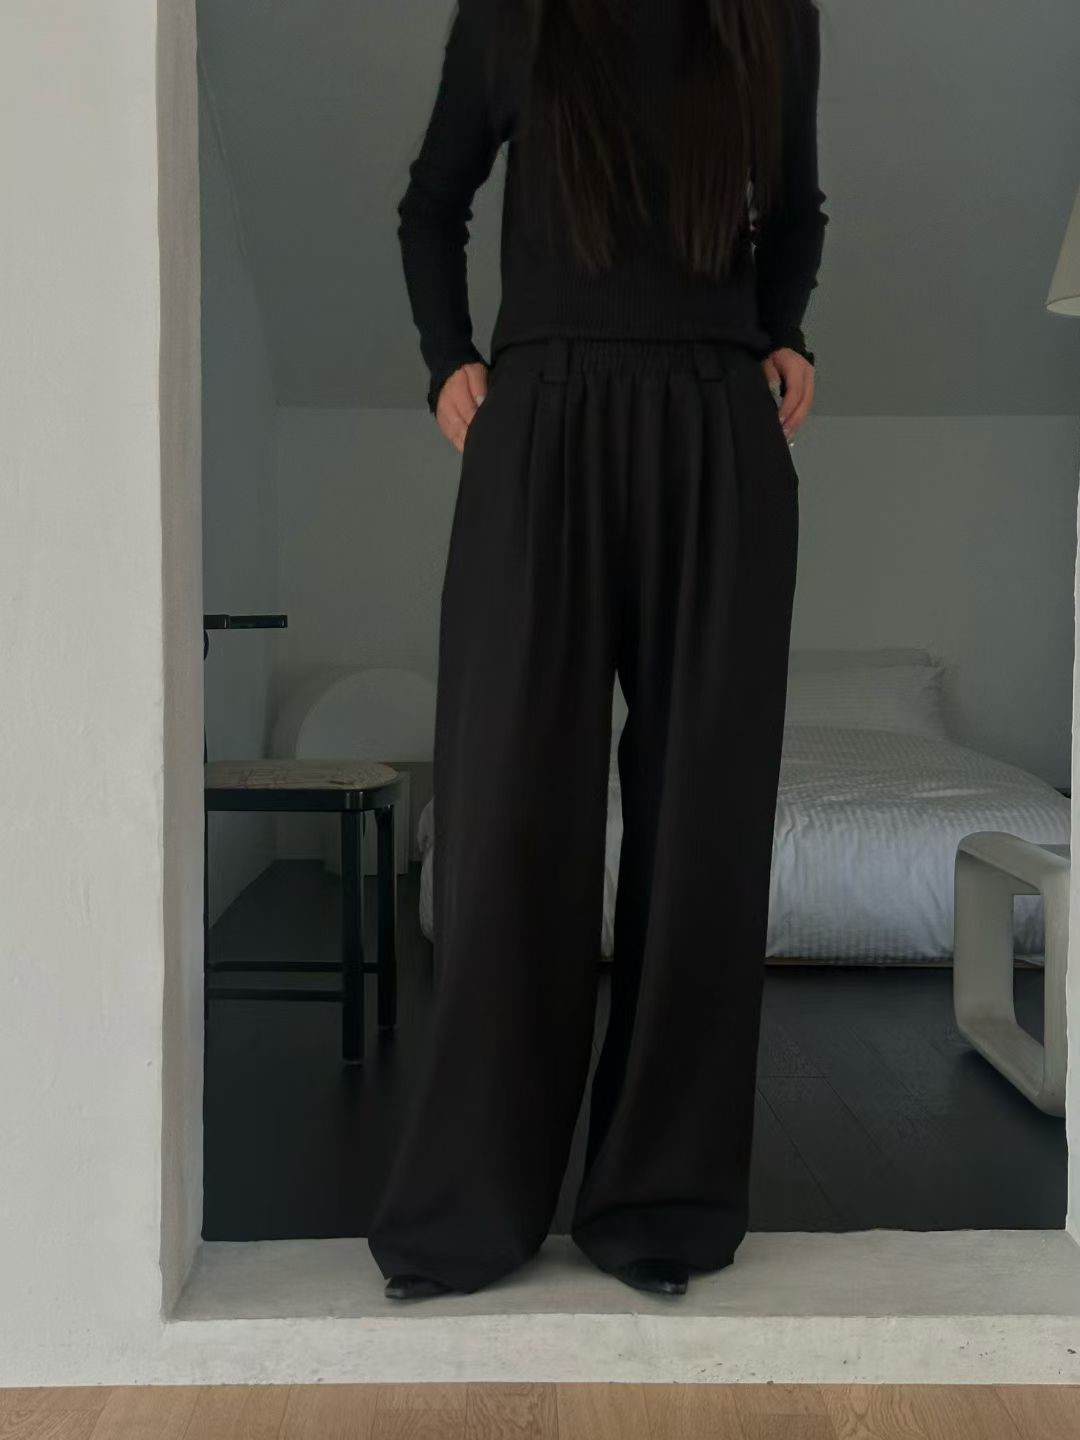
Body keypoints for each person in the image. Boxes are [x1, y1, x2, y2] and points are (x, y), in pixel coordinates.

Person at [367, 0, 827, 1300]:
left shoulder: (771, 16)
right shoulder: (515, 12)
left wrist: (783, 328)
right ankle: (470, 1210)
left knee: (703, 833)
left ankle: (660, 1206)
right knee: (509, 818)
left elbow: (796, 204)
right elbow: (432, 203)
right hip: (544, 425)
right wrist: (447, 358)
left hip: (716, 423)